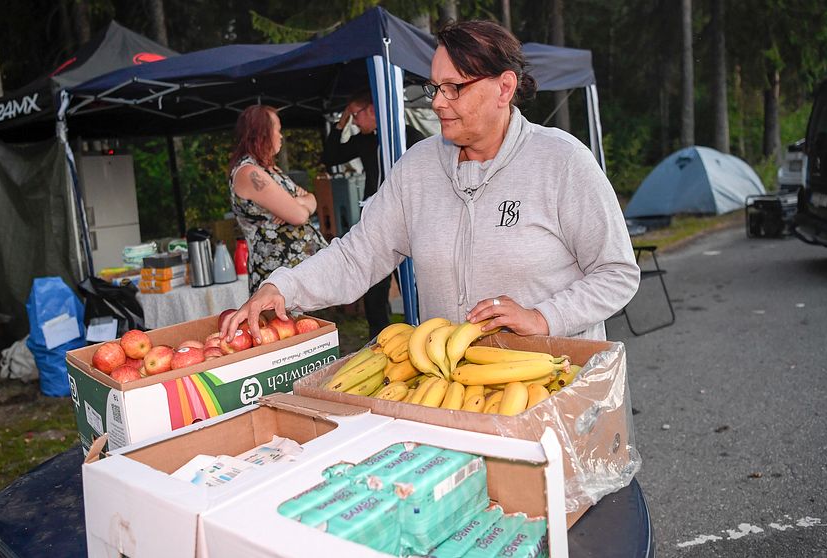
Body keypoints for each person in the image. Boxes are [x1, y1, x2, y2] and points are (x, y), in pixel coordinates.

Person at [222, 20, 639, 344]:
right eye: (434, 87)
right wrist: (283, 285)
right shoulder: (417, 168)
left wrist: (544, 318)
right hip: (454, 389)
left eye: (454, 88)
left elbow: (617, 272)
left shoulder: (562, 162)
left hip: (554, 385)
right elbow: (358, 255)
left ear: (504, 88)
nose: (437, 102)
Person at [321, 91, 426, 339]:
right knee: (374, 292)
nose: (354, 122)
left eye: (356, 115)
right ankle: (380, 341)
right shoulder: (366, 140)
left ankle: (422, 335)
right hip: (375, 226)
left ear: (372, 110)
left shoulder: (407, 135)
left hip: (408, 224)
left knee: (413, 287)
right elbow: (330, 157)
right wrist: (342, 120)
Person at [228, 105, 327, 293]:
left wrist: (294, 203)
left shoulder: (270, 171)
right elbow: (299, 216)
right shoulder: (250, 173)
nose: (281, 136)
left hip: (297, 271)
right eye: (278, 130)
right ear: (262, 133)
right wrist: (295, 207)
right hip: (278, 276)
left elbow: (312, 199)